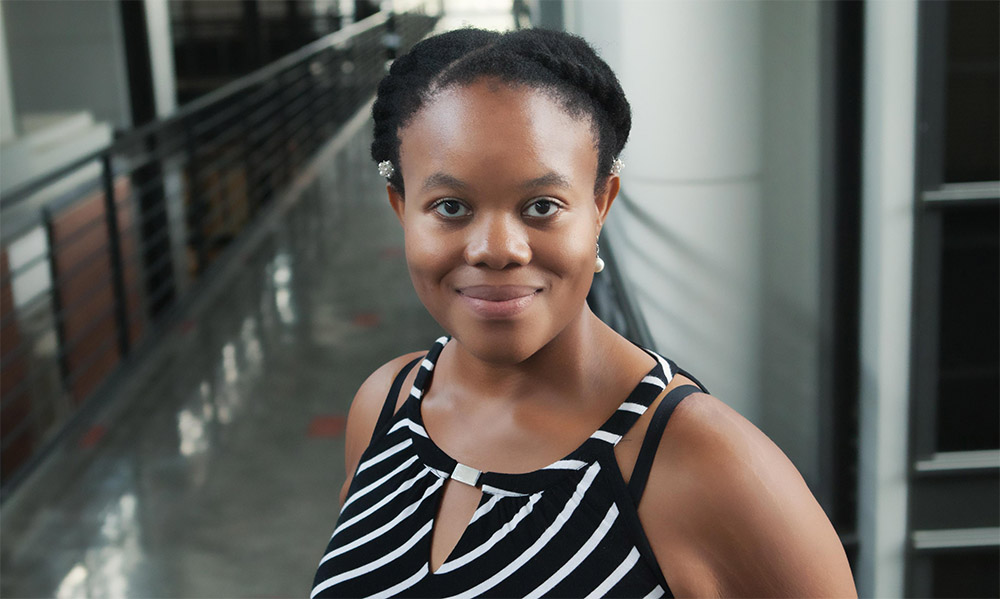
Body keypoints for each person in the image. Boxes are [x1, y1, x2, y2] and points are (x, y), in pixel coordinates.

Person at [311, 27, 857, 598]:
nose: (498, 249)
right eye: (451, 207)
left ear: (600, 207)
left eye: (541, 206)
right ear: (402, 209)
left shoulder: (712, 469)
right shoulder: (384, 406)